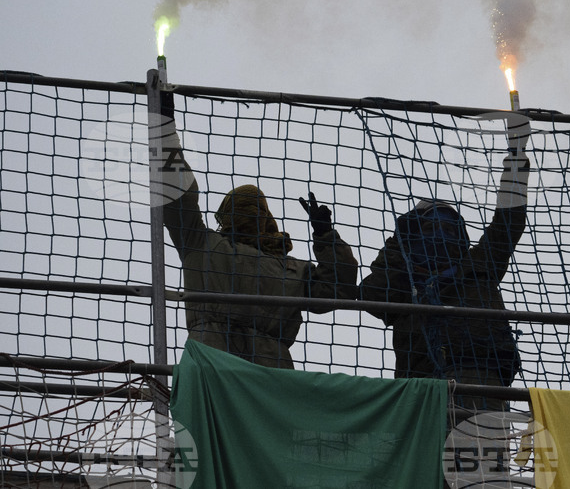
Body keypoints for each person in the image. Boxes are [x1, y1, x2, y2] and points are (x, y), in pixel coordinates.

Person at [158, 90, 359, 369]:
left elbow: (338, 291)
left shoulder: (293, 268)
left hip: (269, 375)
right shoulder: (201, 244)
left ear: (266, 216)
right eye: (241, 209)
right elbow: (178, 194)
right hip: (213, 364)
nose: (249, 216)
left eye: (255, 209)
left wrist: (326, 235)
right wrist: (164, 131)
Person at [360, 122, 530, 411]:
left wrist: (516, 158)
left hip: (479, 379)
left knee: (478, 454)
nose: (441, 233)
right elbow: (371, 296)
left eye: (450, 227)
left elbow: (507, 221)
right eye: (430, 226)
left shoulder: (480, 262)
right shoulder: (403, 281)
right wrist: (398, 243)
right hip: (419, 386)